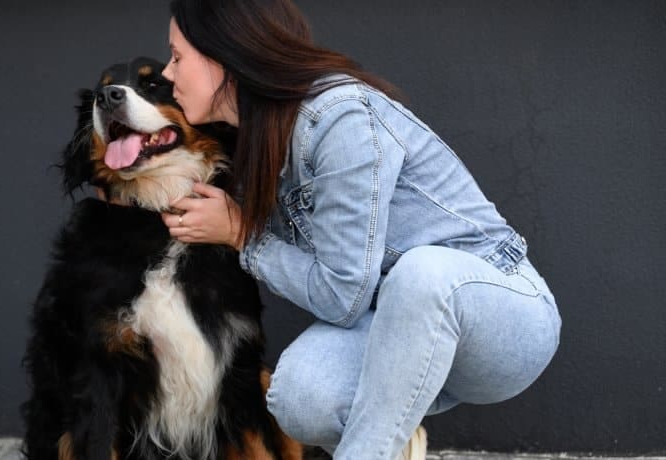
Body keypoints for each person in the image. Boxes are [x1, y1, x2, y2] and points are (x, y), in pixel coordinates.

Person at [159, 1, 562, 459]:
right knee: (300, 395)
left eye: (177, 56)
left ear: (224, 56)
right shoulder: (259, 137)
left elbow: (342, 297)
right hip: (395, 333)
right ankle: (389, 439)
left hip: (501, 320)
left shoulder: (338, 119)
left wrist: (241, 235)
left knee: (420, 274)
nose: (169, 73)